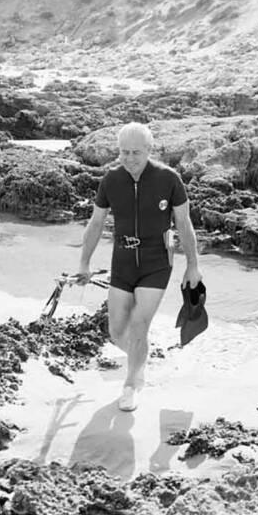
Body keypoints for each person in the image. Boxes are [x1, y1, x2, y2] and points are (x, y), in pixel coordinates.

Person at [76, 122, 202, 412]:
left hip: (158, 261)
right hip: (122, 260)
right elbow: (96, 223)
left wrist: (192, 266)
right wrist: (84, 263)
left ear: (148, 150)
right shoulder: (111, 180)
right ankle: (140, 357)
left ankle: (131, 384)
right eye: (124, 152)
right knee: (116, 330)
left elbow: (184, 223)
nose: (129, 158)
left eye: (136, 152)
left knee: (139, 324)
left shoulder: (169, 179)